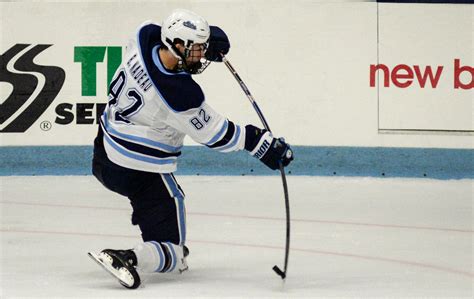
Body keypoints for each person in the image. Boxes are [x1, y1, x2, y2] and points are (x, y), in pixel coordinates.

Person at [90, 8, 293, 289]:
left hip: (103, 148)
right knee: (175, 254)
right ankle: (129, 258)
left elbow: (163, 40)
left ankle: (155, 235)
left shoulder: (144, 35)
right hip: (135, 167)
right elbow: (217, 134)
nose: (201, 54)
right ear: (176, 45)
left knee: (163, 223)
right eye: (196, 48)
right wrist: (260, 143)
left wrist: (206, 42)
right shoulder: (178, 95)